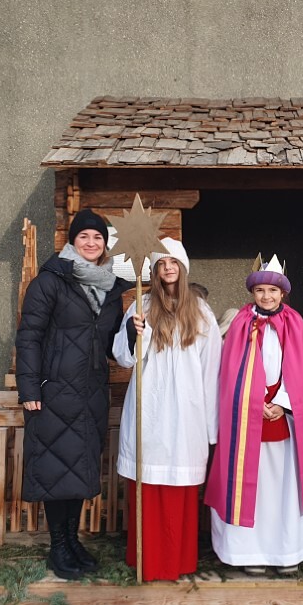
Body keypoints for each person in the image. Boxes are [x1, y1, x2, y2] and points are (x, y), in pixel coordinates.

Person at [15, 208, 130, 580]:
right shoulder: (50, 281)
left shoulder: (110, 288)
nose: (91, 243)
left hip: (91, 391)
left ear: (105, 244)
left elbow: (111, 343)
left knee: (78, 469)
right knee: (56, 470)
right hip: (54, 390)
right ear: (72, 241)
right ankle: (58, 547)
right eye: (84, 237)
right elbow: (29, 336)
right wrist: (29, 388)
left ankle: (72, 540)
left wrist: (133, 331)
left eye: (98, 237)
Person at [112, 237, 222, 581]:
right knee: (148, 481)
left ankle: (178, 560)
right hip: (151, 407)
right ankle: (148, 559)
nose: (168, 268)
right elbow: (123, 356)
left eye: (174, 262)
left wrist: (211, 427)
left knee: (179, 486)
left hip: (186, 411)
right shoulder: (142, 304)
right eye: (162, 263)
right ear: (155, 270)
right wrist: (135, 332)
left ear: (183, 268)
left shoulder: (200, 311)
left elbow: (211, 370)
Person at [205, 254, 303, 575]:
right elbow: (229, 372)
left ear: (283, 293)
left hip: (284, 415)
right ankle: (247, 552)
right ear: (253, 292)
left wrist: (282, 402)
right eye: (260, 290)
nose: (266, 296)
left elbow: (302, 370)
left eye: (273, 291)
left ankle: (285, 551)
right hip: (245, 418)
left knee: (282, 486)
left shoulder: (294, 322)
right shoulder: (241, 323)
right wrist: (254, 403)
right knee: (250, 486)